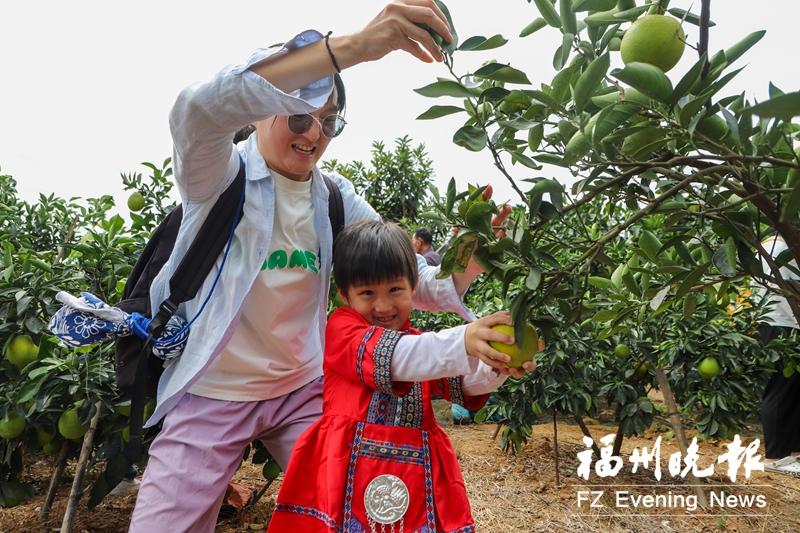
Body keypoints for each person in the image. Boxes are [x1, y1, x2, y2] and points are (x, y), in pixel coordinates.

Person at [128, 3, 515, 531]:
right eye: (299, 115)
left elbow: (411, 281)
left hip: (305, 391)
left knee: (357, 511)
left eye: (329, 121)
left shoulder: (333, 198)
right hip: (213, 390)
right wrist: (350, 49)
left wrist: (473, 254)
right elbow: (196, 110)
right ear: (262, 108)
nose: (314, 133)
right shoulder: (217, 178)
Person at [267, 220, 537, 532]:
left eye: (395, 289)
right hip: (343, 476)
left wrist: (496, 363)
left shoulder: (418, 345)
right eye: (367, 293)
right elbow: (397, 357)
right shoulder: (342, 329)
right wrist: (463, 341)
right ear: (344, 295)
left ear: (413, 287)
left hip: (411, 482)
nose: (383, 306)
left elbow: (460, 382)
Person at [755, 234, 800, 474]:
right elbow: (794, 286)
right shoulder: (781, 248)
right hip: (780, 323)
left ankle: (792, 453)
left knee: (793, 389)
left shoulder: (764, 245)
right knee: (779, 389)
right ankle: (774, 456)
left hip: (785, 323)